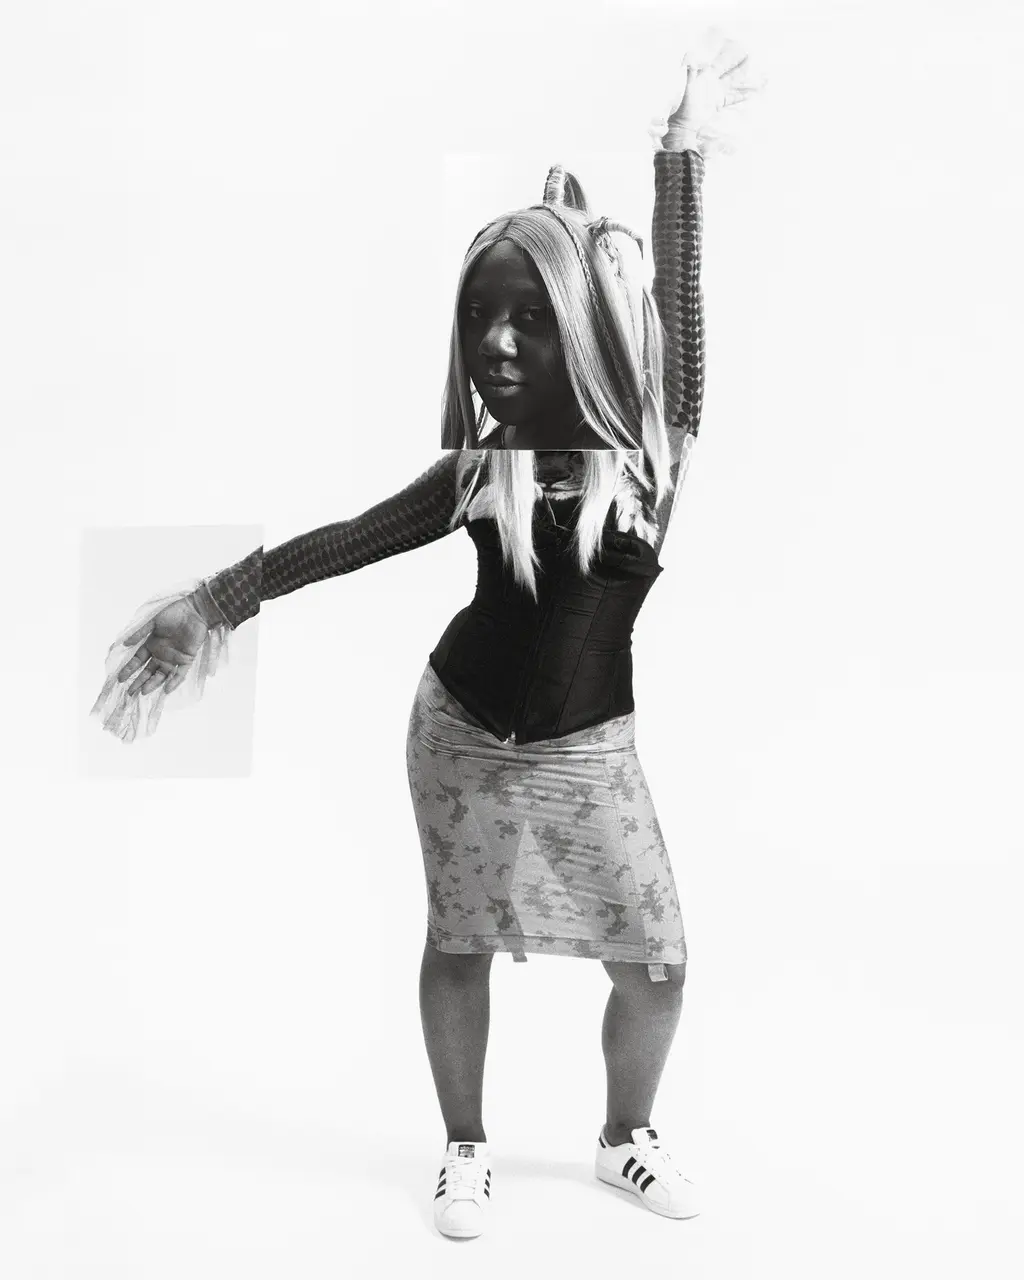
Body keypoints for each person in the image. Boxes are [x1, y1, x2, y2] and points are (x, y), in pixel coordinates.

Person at [92, 37, 761, 1239]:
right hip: (460, 733)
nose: (498, 343)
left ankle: (625, 1135)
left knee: (656, 959)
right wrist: (214, 601)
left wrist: (680, 150)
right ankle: (464, 1144)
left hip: (588, 750)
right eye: (484, 319)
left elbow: (683, 298)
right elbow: (347, 539)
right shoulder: (479, 470)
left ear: (585, 331)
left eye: (528, 319)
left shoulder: (656, 450)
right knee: (459, 937)